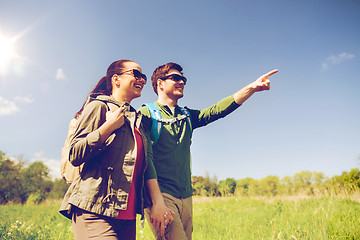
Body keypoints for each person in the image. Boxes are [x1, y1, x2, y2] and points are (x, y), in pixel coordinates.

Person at [139, 62, 278, 240]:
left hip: (186, 196)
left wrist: (251, 88)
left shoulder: (188, 116)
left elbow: (217, 110)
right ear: (160, 84)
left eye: (183, 79)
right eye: (175, 78)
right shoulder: (147, 113)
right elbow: (142, 157)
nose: (181, 82)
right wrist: (155, 202)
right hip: (161, 196)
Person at [59, 60, 174, 240]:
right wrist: (108, 127)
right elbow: (75, 154)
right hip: (94, 210)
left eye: (143, 76)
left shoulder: (137, 120)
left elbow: (148, 164)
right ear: (116, 79)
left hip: (126, 217)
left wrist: (158, 202)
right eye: (136, 74)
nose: (142, 80)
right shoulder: (99, 106)